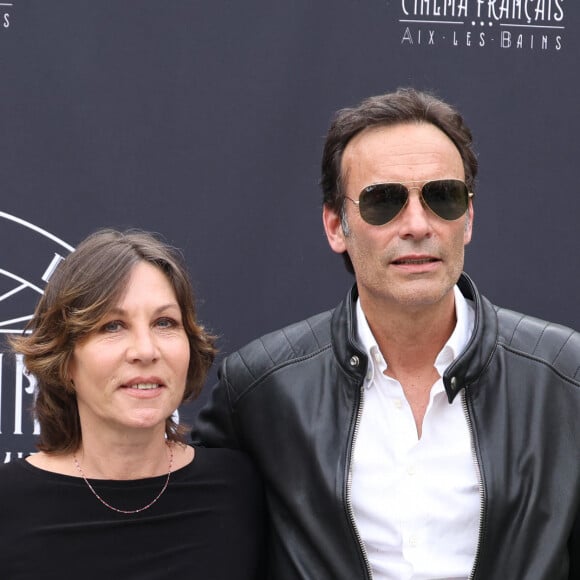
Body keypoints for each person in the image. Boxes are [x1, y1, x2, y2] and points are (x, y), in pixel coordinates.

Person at [192, 88, 580, 579]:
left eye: (443, 197)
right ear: (336, 225)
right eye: (384, 202)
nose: (417, 224)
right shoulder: (261, 389)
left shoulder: (566, 378)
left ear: (469, 218)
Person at [0, 229, 265, 580]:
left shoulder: (241, 488)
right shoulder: (8, 504)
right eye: (113, 326)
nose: (145, 350)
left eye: (164, 323)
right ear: (64, 360)